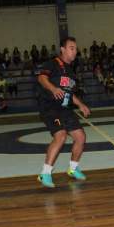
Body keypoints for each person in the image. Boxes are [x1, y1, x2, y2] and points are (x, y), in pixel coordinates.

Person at [37, 36, 91, 188]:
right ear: (63, 49)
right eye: (71, 48)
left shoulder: (71, 72)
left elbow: (69, 93)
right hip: (50, 107)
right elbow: (41, 78)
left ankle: (73, 169)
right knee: (60, 136)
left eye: (76, 48)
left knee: (80, 137)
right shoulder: (53, 63)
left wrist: (81, 105)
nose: (75, 51)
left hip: (65, 108)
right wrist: (53, 88)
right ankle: (45, 173)